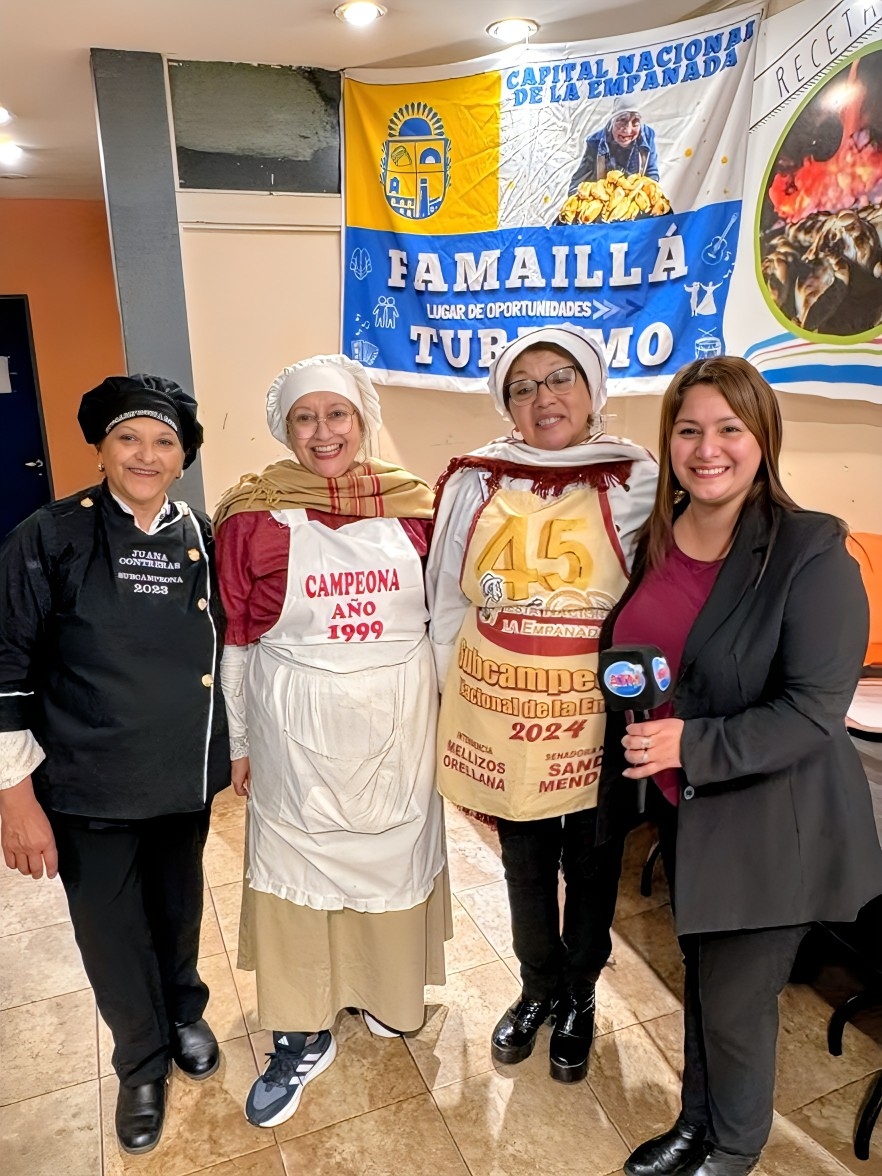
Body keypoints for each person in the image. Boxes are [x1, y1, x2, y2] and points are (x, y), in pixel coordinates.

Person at [597, 356, 882, 1176]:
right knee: (705, 981)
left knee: (734, 1004)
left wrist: (689, 744)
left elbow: (811, 709)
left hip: (770, 820)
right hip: (688, 812)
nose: (707, 447)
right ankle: (697, 1124)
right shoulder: (659, 537)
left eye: (730, 428)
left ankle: (733, 1149)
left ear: (764, 439)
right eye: (689, 429)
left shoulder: (810, 550)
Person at [214, 353, 449, 1129]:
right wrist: (240, 744)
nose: (323, 434)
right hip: (295, 728)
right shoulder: (252, 515)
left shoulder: (420, 507)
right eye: (304, 418)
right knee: (297, 872)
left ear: (362, 418)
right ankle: (300, 1031)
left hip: (401, 725)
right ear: (284, 428)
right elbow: (240, 643)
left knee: (391, 857)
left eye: (337, 415)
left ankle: (387, 996)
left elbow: (445, 625)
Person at [0, 375, 230, 1156]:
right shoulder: (50, 536)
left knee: (179, 907)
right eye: (130, 438)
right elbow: (6, 669)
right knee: (109, 928)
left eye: (164, 442)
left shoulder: (198, 531)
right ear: (101, 448)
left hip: (177, 775)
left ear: (182, 458)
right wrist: (14, 799)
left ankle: (182, 1014)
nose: (147, 454)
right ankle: (140, 1059)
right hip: (88, 781)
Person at [426, 324, 657, 1082]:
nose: (543, 397)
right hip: (501, 712)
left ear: (594, 392)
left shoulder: (640, 479)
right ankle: (537, 986)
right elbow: (447, 602)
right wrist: (444, 701)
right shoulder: (474, 480)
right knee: (523, 864)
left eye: (560, 378)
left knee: (594, 865)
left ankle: (581, 993)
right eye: (522, 387)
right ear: (507, 404)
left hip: (595, 719)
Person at [568, 97, 660, 193]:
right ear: (612, 120)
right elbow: (576, 185)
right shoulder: (595, 142)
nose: (628, 130)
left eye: (635, 123)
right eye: (622, 120)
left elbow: (652, 174)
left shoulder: (647, 136)